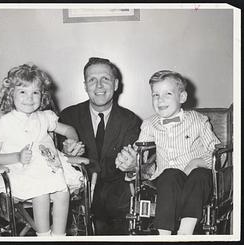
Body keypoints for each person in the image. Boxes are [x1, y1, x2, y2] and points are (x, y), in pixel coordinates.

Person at [0, 63, 84, 236]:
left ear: (42, 95)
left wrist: (73, 141)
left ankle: (59, 236)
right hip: (22, 171)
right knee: (41, 192)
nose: (29, 98)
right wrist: (17, 156)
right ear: (10, 94)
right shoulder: (5, 124)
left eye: (35, 92)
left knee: (62, 192)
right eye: (23, 91)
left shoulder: (45, 117)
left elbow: (68, 130)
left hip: (50, 169)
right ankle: (43, 235)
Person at [116, 70, 220, 235]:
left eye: (168, 94)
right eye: (155, 95)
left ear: (182, 97)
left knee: (200, 174)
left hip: (197, 178)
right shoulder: (149, 124)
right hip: (167, 180)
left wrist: (197, 162)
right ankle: (164, 234)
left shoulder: (199, 120)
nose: (160, 99)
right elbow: (140, 154)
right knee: (169, 174)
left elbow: (218, 153)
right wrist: (129, 161)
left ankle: (186, 231)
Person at [57, 57, 142, 235]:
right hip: (77, 196)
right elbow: (51, 156)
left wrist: (134, 166)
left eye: (105, 79)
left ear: (116, 84)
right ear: (85, 86)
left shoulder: (131, 121)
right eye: (92, 80)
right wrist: (65, 154)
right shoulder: (68, 117)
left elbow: (137, 164)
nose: (99, 86)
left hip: (118, 201)